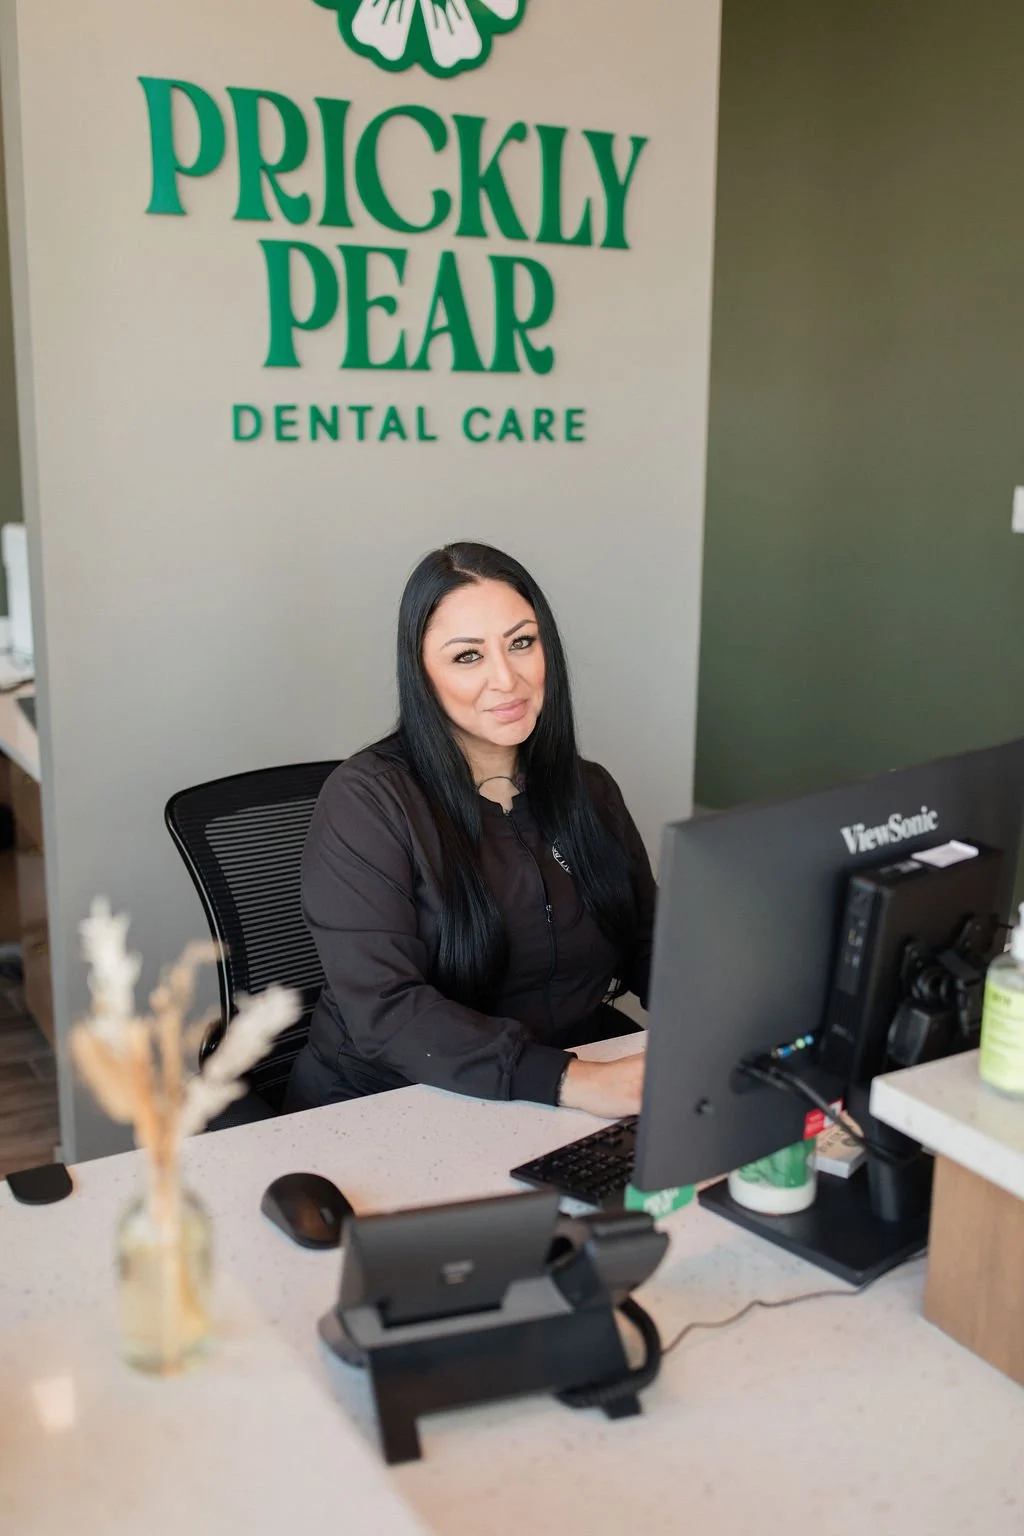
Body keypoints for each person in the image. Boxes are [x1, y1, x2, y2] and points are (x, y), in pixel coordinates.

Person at [285, 542, 654, 1120]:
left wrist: (741, 1025)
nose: (506, 679)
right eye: (467, 657)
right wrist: (573, 1081)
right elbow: (387, 1010)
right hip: (391, 1105)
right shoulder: (369, 801)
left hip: (558, 1093)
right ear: (422, 673)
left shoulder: (590, 790)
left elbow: (648, 946)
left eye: (521, 643)